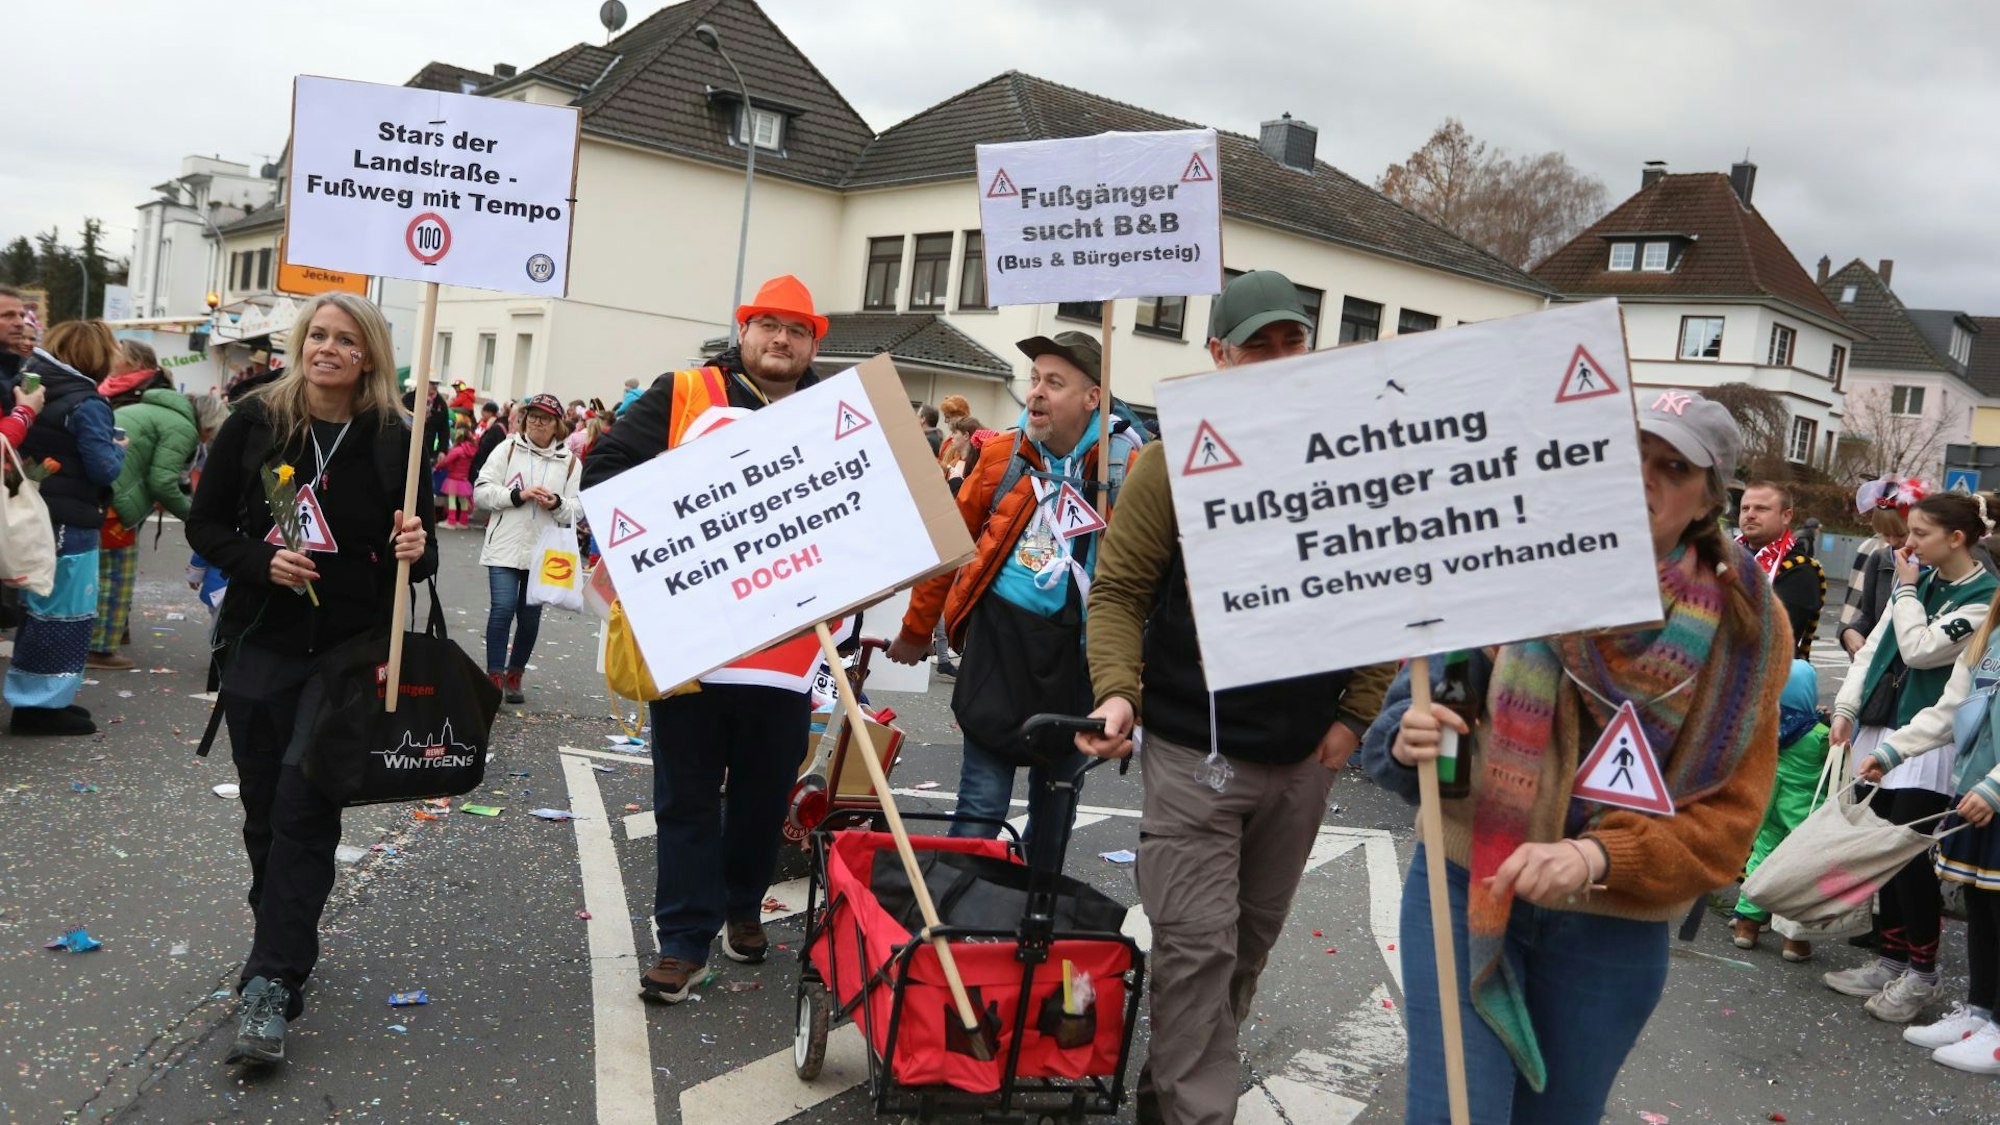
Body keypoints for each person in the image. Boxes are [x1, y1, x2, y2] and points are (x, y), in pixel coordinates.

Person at [1361, 389, 1789, 1122]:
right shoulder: (1508, 559)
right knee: (1451, 1113)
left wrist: (1597, 857)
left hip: (1611, 928)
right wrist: (1413, 737)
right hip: (1465, 886)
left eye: (1671, 466)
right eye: (1628, 452)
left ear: (1706, 499)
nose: (1642, 476)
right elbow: (1421, 707)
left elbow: (1729, 826)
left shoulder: (1749, 625)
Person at [1074, 270, 1397, 1125]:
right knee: (1196, 950)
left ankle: (1167, 1100)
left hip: (1300, 761)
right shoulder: (1169, 459)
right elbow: (1118, 594)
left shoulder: (1346, 453)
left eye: (1294, 341)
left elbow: (1383, 592)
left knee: (1241, 955)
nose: (1281, 357)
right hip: (1192, 755)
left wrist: (1354, 716)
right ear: (1219, 354)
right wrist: (1117, 694)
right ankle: (1197, 1116)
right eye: (1260, 344)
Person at [582, 274, 849, 1004]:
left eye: (796, 330)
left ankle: (740, 904)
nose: (781, 340)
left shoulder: (836, 414)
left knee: (763, 801)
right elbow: (603, 472)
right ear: (744, 329)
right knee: (687, 798)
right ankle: (683, 941)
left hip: (784, 657)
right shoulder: (684, 391)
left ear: (813, 341)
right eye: (768, 325)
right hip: (691, 647)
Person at [185, 291, 435, 1066]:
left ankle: (271, 980)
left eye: (346, 340)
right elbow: (206, 524)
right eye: (317, 335)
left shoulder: (398, 435)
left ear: (370, 355)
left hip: (349, 654)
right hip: (263, 641)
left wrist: (416, 545)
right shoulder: (257, 421)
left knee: (303, 804)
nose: (327, 348)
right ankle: (282, 925)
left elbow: (421, 558)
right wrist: (262, 561)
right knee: (265, 807)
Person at [888, 332, 1146, 870]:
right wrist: (917, 628)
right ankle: (959, 921)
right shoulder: (1003, 454)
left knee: (1055, 806)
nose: (1036, 394)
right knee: (980, 804)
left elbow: (1145, 580)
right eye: (1034, 380)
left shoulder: (1126, 467)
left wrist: (1133, 678)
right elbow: (949, 546)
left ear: (1092, 398)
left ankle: (1034, 926)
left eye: (1055, 383)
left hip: (1079, 660)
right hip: (1000, 651)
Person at [1824, 491, 1997, 1021]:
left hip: (1938, 747)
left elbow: (1919, 648)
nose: (1907, 543)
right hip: (1898, 731)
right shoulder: (1922, 582)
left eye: (1919, 533)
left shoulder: (1982, 594)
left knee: (1910, 857)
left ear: (1957, 538)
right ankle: (1893, 958)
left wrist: (1902, 590)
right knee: (1882, 849)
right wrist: (1848, 706)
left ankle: (1922, 970)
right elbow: (1878, 646)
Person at [1860, 548, 2000, 1072]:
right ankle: (1982, 1012)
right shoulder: (1993, 630)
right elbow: (1950, 709)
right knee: (1982, 904)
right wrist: (1892, 751)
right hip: (1977, 790)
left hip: (1992, 791)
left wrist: (1994, 786)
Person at [7, 320, 126, 735]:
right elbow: (102, 467)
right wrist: (119, 449)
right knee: (64, 612)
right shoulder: (87, 402)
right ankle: (39, 707)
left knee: (39, 609)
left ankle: (38, 700)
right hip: (70, 517)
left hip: (38, 513)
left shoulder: (35, 387)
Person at [89, 357, 227, 670]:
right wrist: (197, 518)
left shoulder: (161, 411)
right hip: (114, 502)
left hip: (103, 493)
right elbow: (163, 482)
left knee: (101, 574)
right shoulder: (183, 428)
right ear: (206, 425)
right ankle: (100, 648)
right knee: (117, 577)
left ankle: (105, 635)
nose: (206, 440)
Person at [474, 393, 579, 704]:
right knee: (503, 608)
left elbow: (577, 509)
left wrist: (557, 503)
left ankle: (515, 674)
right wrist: (517, 496)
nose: (536, 422)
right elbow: (481, 491)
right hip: (505, 545)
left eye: (544, 418)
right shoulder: (506, 449)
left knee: (530, 617)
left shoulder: (571, 463)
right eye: (531, 415)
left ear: (557, 425)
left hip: (543, 552)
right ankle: (494, 677)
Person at [1728, 659, 1834, 960]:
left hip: (1768, 809)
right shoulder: (1818, 736)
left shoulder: (1765, 727)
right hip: (1803, 817)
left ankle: (1747, 925)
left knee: (1760, 859)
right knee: (1801, 871)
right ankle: (1794, 939)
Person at [1736, 481, 1825, 659]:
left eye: (1761, 509)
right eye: (1745, 508)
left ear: (1786, 516)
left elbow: (1766, 634)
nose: (1750, 515)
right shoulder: (1722, 554)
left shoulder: (1801, 571)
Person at [1840, 481, 1920, 658]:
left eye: (1900, 534)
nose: (1892, 542)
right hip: (1885, 666)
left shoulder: (1936, 563)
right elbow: (1868, 616)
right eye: (1885, 534)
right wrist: (1849, 631)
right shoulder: (1879, 558)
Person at [435, 420, 477, 528]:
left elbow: (446, 461)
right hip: (463, 479)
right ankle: (463, 522)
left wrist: (437, 467)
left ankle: (451, 521)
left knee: (452, 500)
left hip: (453, 479)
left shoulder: (457, 450)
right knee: (463, 500)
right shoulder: (470, 449)